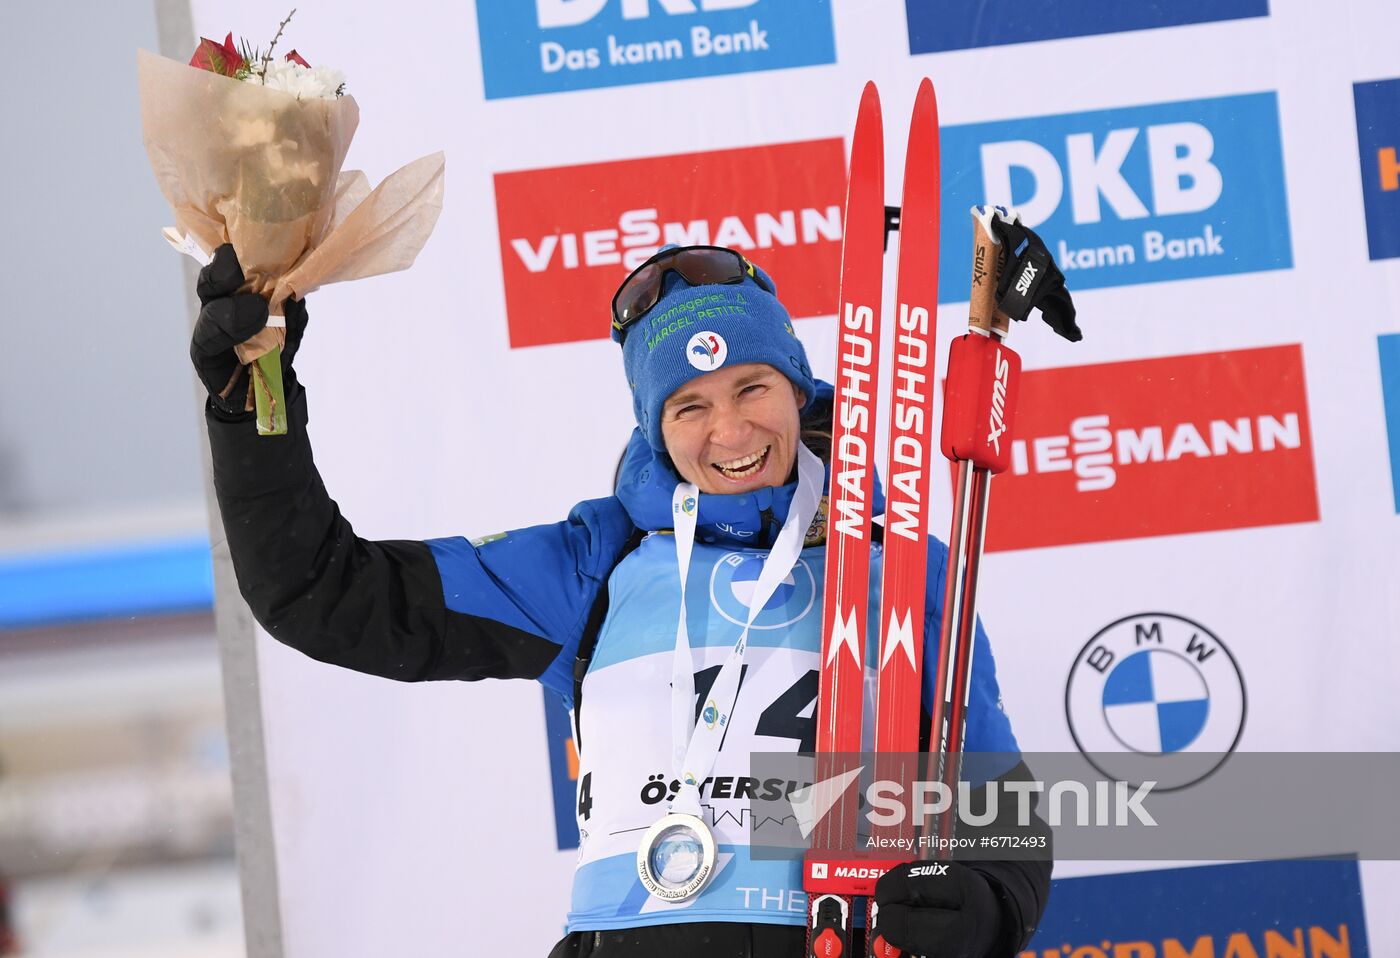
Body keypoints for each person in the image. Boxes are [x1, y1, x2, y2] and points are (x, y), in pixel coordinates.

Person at [191, 243, 1051, 957]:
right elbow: (323, 593)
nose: (732, 431)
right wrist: (249, 409)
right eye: (690, 406)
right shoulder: (591, 566)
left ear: (797, 387)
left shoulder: (901, 566)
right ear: (654, 426)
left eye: (753, 388)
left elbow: (1003, 807)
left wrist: (985, 907)